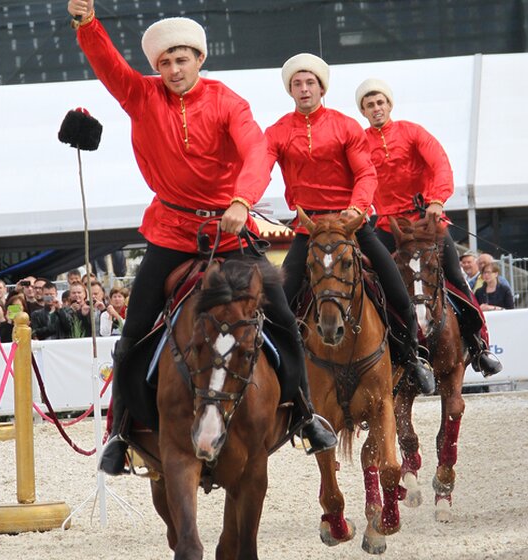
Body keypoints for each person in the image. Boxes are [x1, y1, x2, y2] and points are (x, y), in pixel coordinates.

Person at [67, 2, 337, 474]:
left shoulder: (229, 101)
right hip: (171, 231)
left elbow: (255, 152)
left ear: (199, 59)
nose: (174, 69)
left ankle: (308, 416)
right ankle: (120, 432)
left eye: (182, 60)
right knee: (130, 338)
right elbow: (109, 64)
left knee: (285, 326)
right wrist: (87, 24)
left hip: (230, 231)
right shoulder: (140, 96)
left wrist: (241, 199)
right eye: (165, 63)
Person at [266, 53, 435, 394]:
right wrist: (241, 199)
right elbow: (259, 167)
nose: (303, 89)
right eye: (297, 84)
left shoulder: (345, 126)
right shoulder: (277, 131)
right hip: (308, 230)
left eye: (310, 82)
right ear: (290, 90)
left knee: (397, 289)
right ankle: (282, 380)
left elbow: (365, 173)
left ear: (321, 87)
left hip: (352, 225)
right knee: (278, 302)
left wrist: (358, 207)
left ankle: (412, 357)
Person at [355, 77, 502, 377]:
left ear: (389, 104)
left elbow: (440, 165)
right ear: (364, 111)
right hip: (387, 225)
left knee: (454, 276)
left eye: (380, 102)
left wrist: (436, 199)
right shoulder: (359, 143)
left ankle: (480, 345)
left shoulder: (412, 132)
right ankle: (385, 351)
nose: (376, 108)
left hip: (426, 221)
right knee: (374, 284)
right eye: (369, 105)